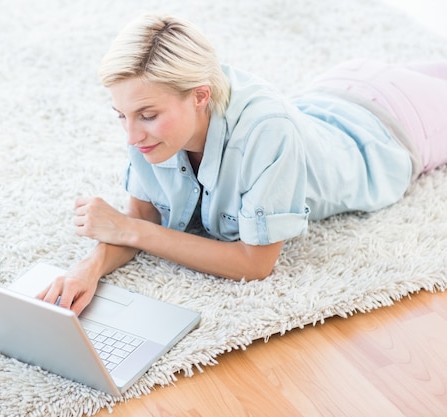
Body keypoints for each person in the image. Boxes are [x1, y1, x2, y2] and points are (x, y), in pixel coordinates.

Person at [38, 14, 447, 315]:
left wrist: (132, 230)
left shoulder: (268, 132)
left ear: (200, 96)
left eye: (146, 116)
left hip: (396, 127)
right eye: (120, 115)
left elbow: (255, 263)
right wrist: (86, 269)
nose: (130, 136)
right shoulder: (149, 124)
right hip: (335, 89)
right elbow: (137, 219)